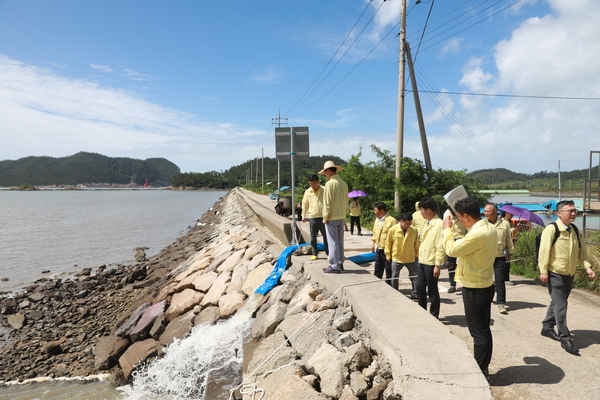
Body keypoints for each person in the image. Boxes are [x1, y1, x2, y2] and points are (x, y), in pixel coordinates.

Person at [443, 197, 497, 378]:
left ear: (466, 216)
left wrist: (447, 230)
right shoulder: (488, 226)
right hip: (484, 283)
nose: (457, 220)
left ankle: (480, 370)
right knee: (483, 329)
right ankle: (483, 367)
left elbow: (451, 250)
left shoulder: (477, 234)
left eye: (458, 217)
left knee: (478, 332)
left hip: (475, 288)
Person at [538, 200, 596, 355]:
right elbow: (543, 251)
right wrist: (543, 271)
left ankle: (547, 326)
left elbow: (581, 252)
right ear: (559, 213)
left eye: (574, 210)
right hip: (555, 273)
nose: (573, 213)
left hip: (569, 274)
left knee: (558, 302)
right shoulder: (552, 229)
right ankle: (565, 338)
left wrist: (587, 266)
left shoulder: (574, 230)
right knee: (561, 305)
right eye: (569, 211)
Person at [416, 196, 445, 318]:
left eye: (422, 209)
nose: (420, 212)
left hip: (432, 262)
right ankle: (422, 312)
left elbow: (440, 245)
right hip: (422, 260)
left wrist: (437, 265)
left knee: (432, 291)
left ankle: (434, 315)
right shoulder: (426, 222)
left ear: (428, 210)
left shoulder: (439, 224)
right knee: (419, 287)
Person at [484, 203, 514, 315]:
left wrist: (510, 253)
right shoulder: (482, 224)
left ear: (495, 212)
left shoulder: (505, 224)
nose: (485, 213)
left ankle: (501, 303)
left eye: (488, 211)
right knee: (486, 280)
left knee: (500, 281)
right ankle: (487, 298)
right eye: (485, 211)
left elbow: (508, 241)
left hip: (500, 257)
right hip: (485, 257)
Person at [319, 160, 349, 274]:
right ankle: (340, 262)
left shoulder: (330, 184)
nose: (325, 175)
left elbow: (327, 202)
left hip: (332, 216)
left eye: (325, 173)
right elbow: (346, 201)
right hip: (341, 216)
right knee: (340, 241)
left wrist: (325, 217)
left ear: (328, 171)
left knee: (333, 241)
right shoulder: (343, 183)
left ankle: (334, 264)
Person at [385, 212, 419, 296]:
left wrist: (417, 254)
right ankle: (395, 293)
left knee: (415, 276)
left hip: (410, 257)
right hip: (397, 257)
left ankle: (415, 293)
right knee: (394, 276)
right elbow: (388, 243)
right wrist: (388, 255)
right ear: (401, 221)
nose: (408, 225)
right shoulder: (393, 230)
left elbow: (417, 243)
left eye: (409, 224)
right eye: (406, 223)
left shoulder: (414, 230)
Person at [301, 174, 328, 261]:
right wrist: (303, 215)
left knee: (326, 236)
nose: (313, 185)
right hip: (312, 217)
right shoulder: (307, 192)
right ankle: (314, 253)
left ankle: (328, 253)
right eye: (311, 183)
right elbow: (305, 204)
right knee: (313, 237)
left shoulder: (324, 190)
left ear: (318, 182)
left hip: (324, 217)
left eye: (314, 183)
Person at [371, 202, 397, 285]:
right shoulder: (377, 220)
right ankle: (377, 286)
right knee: (378, 270)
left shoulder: (392, 221)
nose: (374, 212)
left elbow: (396, 236)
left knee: (389, 271)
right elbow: (375, 232)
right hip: (379, 249)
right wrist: (373, 242)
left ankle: (389, 287)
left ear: (382, 210)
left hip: (388, 250)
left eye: (375, 210)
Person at [441, 208, 467, 294]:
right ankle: (452, 285)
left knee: (464, 264)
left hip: (462, 239)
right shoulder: (447, 213)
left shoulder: (463, 212)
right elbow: (444, 226)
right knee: (451, 265)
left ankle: (465, 284)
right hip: (452, 239)